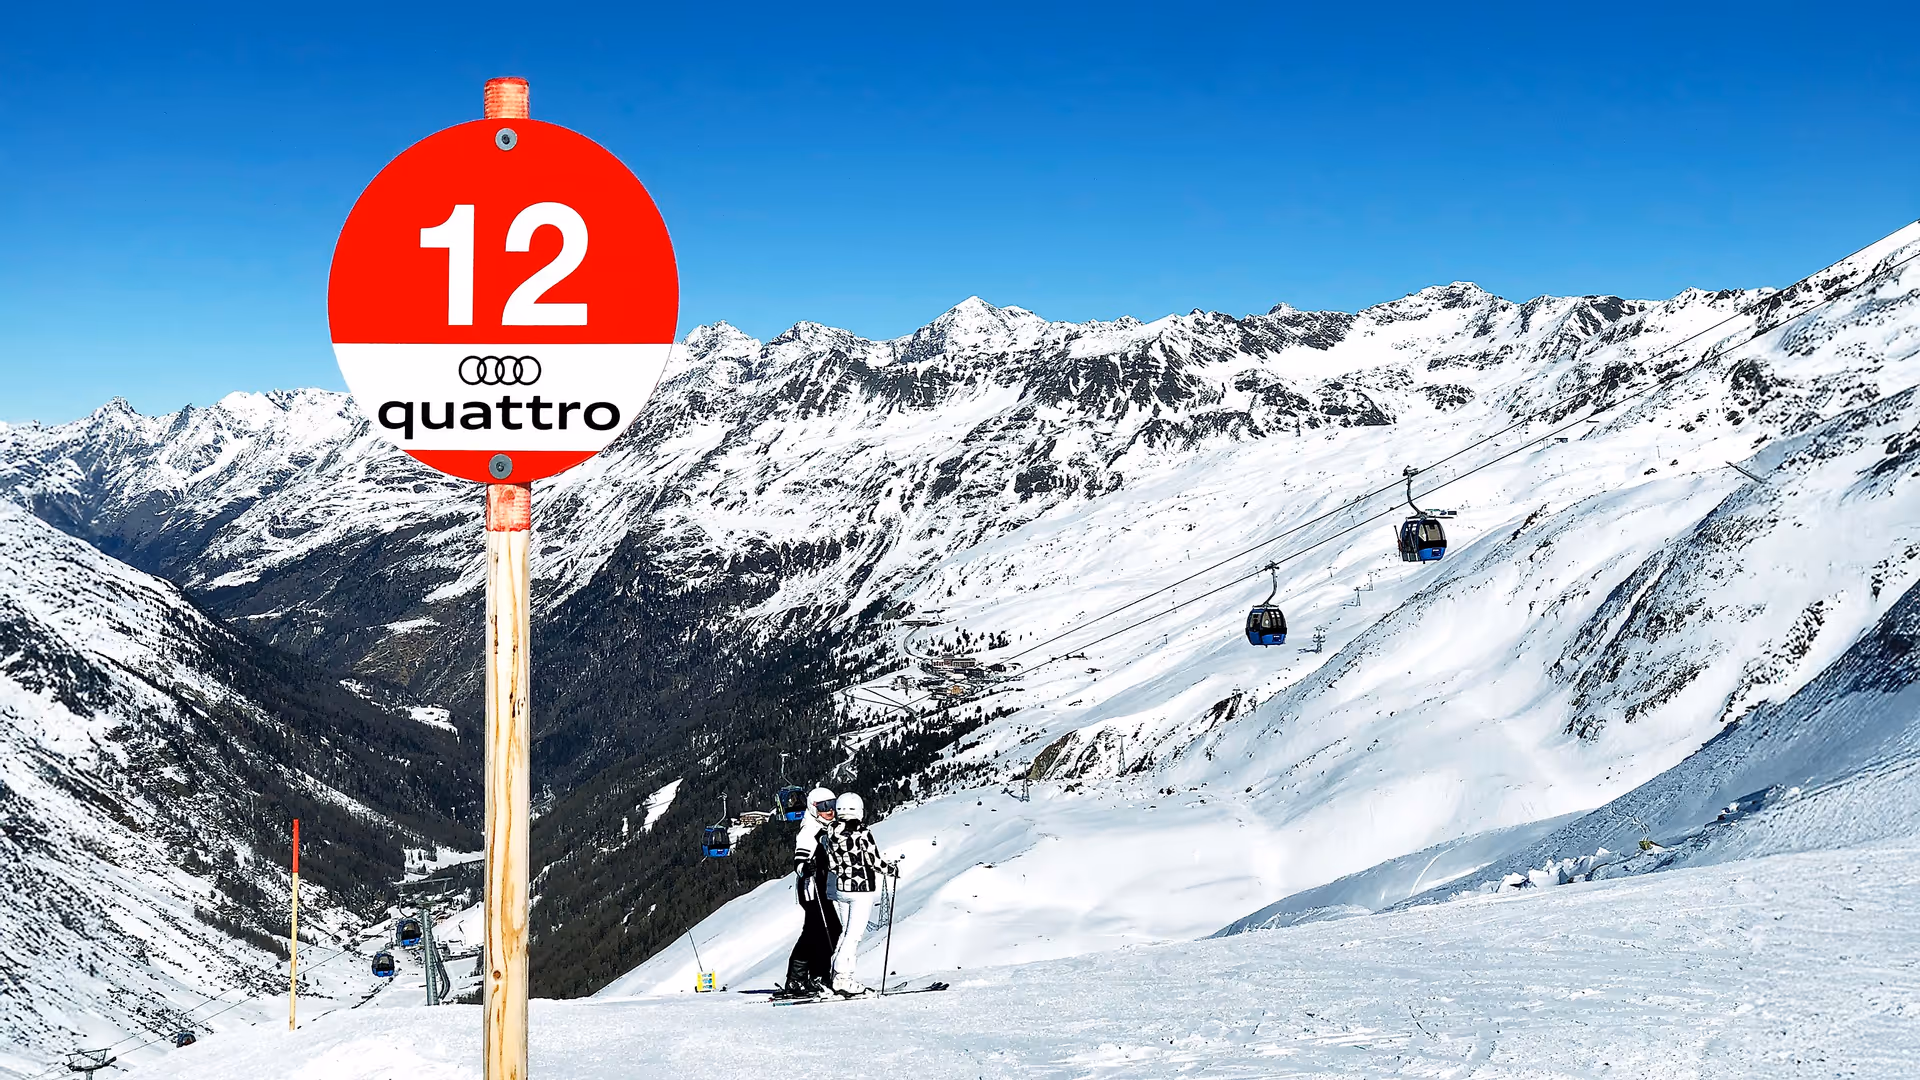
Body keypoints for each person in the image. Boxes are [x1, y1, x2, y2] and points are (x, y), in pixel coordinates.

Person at [776, 786, 841, 999]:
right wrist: (806, 867)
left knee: (830, 930)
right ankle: (797, 979)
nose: (829, 810)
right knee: (817, 930)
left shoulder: (831, 827)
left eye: (832, 805)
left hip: (825, 887)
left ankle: (817, 976)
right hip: (811, 889)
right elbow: (799, 860)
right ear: (813, 808)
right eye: (823, 807)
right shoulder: (810, 830)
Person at [824, 791, 890, 997]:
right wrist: (891, 869)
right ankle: (843, 979)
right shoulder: (862, 832)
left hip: (842, 889)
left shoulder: (831, 832)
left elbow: (832, 863)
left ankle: (835, 976)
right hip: (861, 889)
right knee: (854, 936)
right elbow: (874, 860)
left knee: (845, 933)